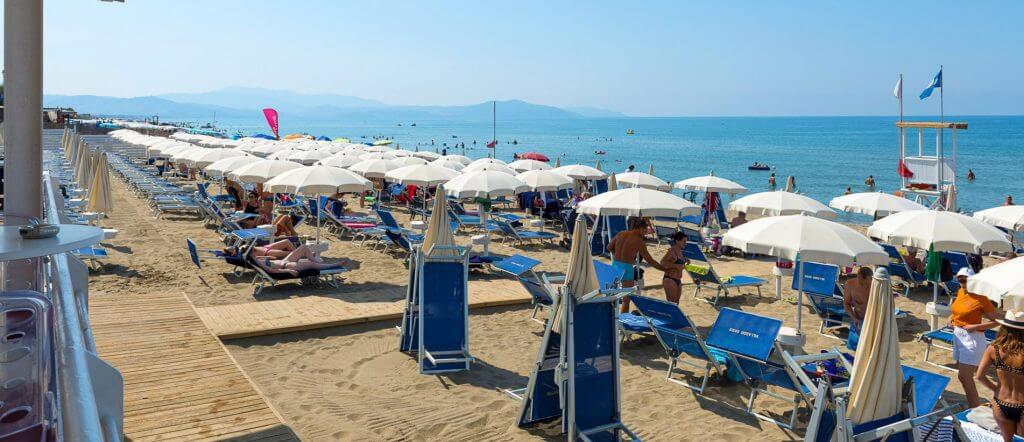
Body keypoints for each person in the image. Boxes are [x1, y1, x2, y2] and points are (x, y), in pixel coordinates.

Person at [949, 267, 1000, 408]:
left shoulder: (981, 298)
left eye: (965, 279)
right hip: (958, 336)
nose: (962, 281)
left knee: (965, 377)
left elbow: (997, 321)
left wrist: (975, 327)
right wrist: (951, 318)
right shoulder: (960, 292)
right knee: (963, 377)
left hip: (973, 339)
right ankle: (977, 405)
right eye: (959, 278)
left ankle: (975, 408)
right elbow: (957, 311)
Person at [976, 310, 1024, 442]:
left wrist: (995, 388)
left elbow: (979, 376)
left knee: (1007, 440)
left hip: (1001, 402)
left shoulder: (994, 348)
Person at [609, 216, 667, 313]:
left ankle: (611, 320)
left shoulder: (621, 233)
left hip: (615, 265)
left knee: (612, 296)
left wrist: (618, 255)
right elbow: (650, 260)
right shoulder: (639, 241)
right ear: (641, 229)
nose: (645, 233)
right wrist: (664, 269)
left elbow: (609, 247)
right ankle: (623, 322)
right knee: (626, 299)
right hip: (627, 268)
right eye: (645, 231)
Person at [842, 266, 873, 350]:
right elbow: (846, 304)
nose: (863, 286)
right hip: (857, 320)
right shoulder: (850, 284)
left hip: (873, 322)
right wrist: (854, 318)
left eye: (866, 283)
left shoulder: (876, 287)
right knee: (853, 349)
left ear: (870, 279)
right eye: (860, 283)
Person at [659, 232, 688, 304]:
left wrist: (686, 261)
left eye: (686, 241)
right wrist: (676, 266)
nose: (685, 243)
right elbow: (662, 262)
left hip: (678, 280)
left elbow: (679, 264)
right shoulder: (672, 251)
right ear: (677, 241)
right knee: (672, 303)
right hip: (670, 279)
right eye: (683, 241)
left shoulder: (680, 251)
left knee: (676, 302)